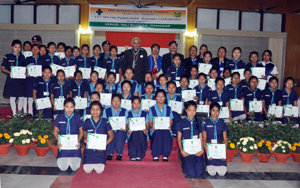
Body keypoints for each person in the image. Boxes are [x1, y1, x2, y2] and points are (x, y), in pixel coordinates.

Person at [82, 101, 114, 173]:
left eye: (97, 109)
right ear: (90, 110)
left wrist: (103, 145)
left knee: (99, 171)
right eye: (93, 109)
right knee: (87, 170)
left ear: (101, 111)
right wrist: (85, 139)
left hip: (100, 150)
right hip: (89, 150)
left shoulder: (105, 121)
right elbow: (84, 134)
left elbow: (111, 136)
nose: (95, 111)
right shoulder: (87, 121)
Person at [54, 98, 83, 171]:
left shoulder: (78, 118)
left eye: (72, 107)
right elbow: (55, 131)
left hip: (74, 146)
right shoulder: (59, 117)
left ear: (74, 107)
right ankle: (66, 158)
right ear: (64, 107)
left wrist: (78, 141)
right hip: (63, 145)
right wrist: (59, 140)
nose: (69, 109)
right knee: (63, 168)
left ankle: (72, 158)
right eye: (67, 107)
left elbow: (81, 132)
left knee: (75, 167)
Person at [177, 101, 205, 177]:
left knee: (200, 172)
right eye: (190, 110)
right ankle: (184, 165)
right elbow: (179, 139)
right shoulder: (181, 122)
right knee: (191, 173)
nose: (192, 113)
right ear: (185, 110)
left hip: (197, 151)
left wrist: (202, 150)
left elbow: (201, 138)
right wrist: (182, 151)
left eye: (194, 110)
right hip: (187, 152)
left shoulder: (198, 122)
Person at [202, 102, 228, 176]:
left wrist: (224, 154)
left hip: (220, 148)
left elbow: (225, 139)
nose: (215, 113)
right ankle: (209, 163)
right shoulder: (205, 122)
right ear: (210, 111)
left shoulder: (222, 122)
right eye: (213, 110)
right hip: (209, 148)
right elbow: (204, 139)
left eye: (217, 110)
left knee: (222, 173)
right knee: (212, 173)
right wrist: (208, 154)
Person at [1, 39, 26, 115]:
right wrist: (9, 72)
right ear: (12, 47)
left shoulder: (22, 56)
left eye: (19, 47)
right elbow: (3, 68)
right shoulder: (7, 56)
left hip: (21, 80)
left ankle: (19, 113)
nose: (17, 49)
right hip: (12, 80)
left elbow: (25, 67)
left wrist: (25, 71)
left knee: (21, 97)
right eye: (16, 47)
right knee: (13, 97)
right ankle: (14, 114)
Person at [148, 89, 173, 162]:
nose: (160, 98)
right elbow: (150, 122)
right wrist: (152, 126)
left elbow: (171, 121)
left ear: (165, 98)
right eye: (158, 96)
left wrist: (170, 126)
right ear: (155, 97)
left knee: (166, 132)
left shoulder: (168, 108)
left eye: (162, 96)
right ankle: (156, 155)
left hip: (166, 129)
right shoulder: (151, 108)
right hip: (155, 129)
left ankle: (165, 155)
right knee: (158, 132)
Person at [103, 94, 128, 161]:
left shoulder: (125, 111)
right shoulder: (106, 110)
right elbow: (104, 122)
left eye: (118, 101)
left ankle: (119, 154)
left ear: (120, 102)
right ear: (111, 102)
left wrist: (124, 127)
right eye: (114, 101)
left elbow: (127, 123)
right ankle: (109, 153)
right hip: (110, 130)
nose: (116, 103)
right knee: (111, 132)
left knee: (120, 133)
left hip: (121, 130)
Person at [127, 96, 149, 161]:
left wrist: (146, 130)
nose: (136, 105)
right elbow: (126, 124)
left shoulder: (144, 112)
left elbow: (147, 124)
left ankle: (139, 155)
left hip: (142, 132)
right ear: (131, 104)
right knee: (134, 134)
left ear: (140, 104)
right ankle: (133, 155)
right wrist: (127, 129)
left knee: (140, 133)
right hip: (131, 132)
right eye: (134, 103)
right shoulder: (128, 112)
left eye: (138, 103)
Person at [25, 44, 44, 115]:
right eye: (33, 49)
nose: (35, 50)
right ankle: (30, 112)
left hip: (40, 80)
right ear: (31, 50)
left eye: (37, 49)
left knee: (39, 95)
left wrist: (42, 73)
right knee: (30, 96)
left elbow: (46, 69)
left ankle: (39, 112)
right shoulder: (28, 59)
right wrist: (27, 73)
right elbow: (25, 69)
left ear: (39, 50)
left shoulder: (42, 59)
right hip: (30, 80)